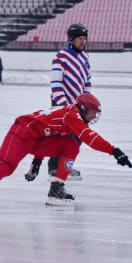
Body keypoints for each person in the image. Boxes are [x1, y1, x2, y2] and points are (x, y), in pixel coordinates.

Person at [0, 93, 132, 210]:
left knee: (70, 145)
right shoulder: (73, 116)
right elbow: (89, 137)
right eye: (92, 112)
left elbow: (45, 132)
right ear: (83, 108)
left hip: (35, 138)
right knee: (5, 167)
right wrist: (114, 151)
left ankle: (56, 189)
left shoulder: (72, 115)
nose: (94, 116)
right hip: (20, 133)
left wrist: (37, 161)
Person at [26, 23, 90, 182]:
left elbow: (87, 80)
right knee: (63, 137)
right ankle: (54, 168)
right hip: (63, 105)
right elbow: (56, 83)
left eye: (84, 38)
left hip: (79, 107)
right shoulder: (61, 57)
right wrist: (62, 105)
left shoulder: (85, 56)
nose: (83, 42)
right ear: (71, 40)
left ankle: (64, 164)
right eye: (80, 39)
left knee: (78, 138)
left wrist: (86, 101)